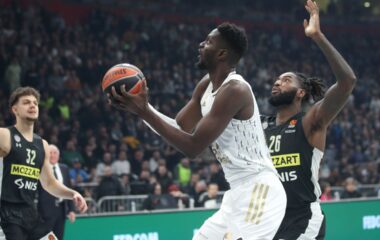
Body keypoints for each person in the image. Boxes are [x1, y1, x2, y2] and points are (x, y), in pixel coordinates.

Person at [110, 22, 286, 240]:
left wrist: (145, 111)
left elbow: (193, 147)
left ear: (222, 53)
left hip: (260, 189)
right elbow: (179, 127)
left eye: (208, 41)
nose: (201, 45)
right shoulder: (205, 85)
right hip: (236, 193)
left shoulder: (235, 90)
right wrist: (142, 110)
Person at [262, 1, 357, 239]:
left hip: (303, 218)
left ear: (300, 92)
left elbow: (347, 82)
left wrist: (318, 36)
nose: (277, 82)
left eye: (285, 80)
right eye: (276, 79)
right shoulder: (260, 125)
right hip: (269, 220)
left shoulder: (309, 120)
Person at [0, 87, 87, 240]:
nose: (32, 105)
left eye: (35, 103)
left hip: (30, 214)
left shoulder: (43, 144)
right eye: (26, 103)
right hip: (6, 214)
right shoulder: (5, 135)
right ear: (15, 110)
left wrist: (72, 193)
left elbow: (49, 183)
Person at [38, 144, 76, 240]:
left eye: (55, 153)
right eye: (50, 153)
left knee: (59, 236)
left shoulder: (64, 168)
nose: (53, 155)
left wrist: (71, 210)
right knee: (47, 237)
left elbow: (69, 189)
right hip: (45, 211)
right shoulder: (42, 168)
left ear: (58, 155)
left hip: (61, 210)